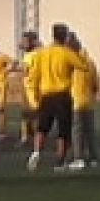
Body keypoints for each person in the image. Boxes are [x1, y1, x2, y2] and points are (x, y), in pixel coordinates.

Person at [28, 24, 88, 172]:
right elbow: (83, 66)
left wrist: (34, 95)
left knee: (42, 128)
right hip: (62, 95)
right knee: (63, 131)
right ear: (65, 36)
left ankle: (36, 152)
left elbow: (34, 75)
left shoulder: (42, 53)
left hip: (46, 95)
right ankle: (60, 162)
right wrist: (76, 50)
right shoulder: (66, 53)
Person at [66, 33, 100, 170]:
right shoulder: (90, 62)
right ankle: (93, 158)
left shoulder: (72, 64)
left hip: (76, 101)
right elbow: (95, 84)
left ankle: (78, 158)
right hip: (89, 102)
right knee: (90, 132)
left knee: (77, 132)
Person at [19, 32, 42, 144]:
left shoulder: (29, 55)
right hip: (37, 86)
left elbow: (25, 70)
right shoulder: (39, 53)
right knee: (32, 113)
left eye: (25, 41)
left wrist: (13, 68)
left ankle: (28, 137)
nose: (22, 43)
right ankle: (31, 135)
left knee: (28, 113)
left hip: (29, 87)